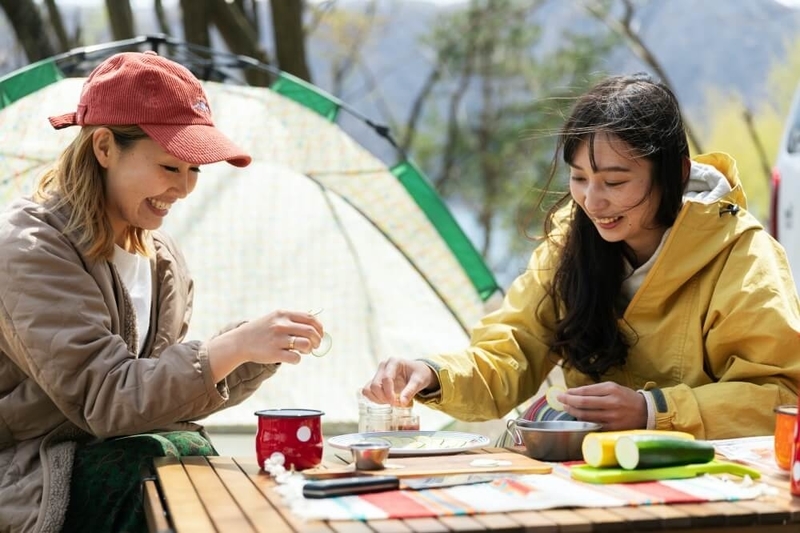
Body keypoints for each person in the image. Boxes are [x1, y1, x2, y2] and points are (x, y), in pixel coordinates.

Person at [362, 73, 800, 441]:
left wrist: (652, 410)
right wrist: (433, 372)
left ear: (675, 174)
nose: (593, 201)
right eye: (579, 178)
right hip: (593, 477)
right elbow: (511, 351)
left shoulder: (742, 254)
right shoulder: (568, 242)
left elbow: (780, 396)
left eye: (614, 181)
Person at [0, 51, 325, 532]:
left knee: (200, 468)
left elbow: (156, 398)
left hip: (117, 460)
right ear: (105, 148)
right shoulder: (28, 247)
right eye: (170, 167)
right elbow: (106, 399)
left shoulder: (161, 256)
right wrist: (229, 347)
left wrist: (255, 351)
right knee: (160, 467)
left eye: (195, 171)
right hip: (35, 475)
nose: (186, 189)